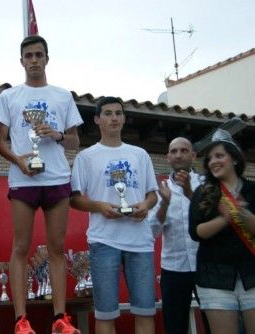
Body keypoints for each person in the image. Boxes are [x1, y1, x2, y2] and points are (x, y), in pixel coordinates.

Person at [0, 35, 83, 334]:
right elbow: (0, 142)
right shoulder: (9, 97)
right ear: (21, 61)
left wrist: (55, 134)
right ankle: (21, 320)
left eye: (38, 55)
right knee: (20, 247)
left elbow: (73, 140)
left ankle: (60, 318)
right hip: (23, 178)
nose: (34, 60)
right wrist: (19, 161)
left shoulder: (62, 96)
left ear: (47, 58)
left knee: (57, 248)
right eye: (28, 55)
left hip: (56, 176)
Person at [70, 96, 158, 334]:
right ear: (97, 119)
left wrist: (145, 206)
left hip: (140, 242)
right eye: (108, 113)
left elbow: (153, 194)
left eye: (118, 113)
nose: (114, 118)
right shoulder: (86, 157)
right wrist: (100, 207)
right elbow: (74, 198)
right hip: (104, 240)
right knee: (105, 312)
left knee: (145, 310)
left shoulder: (139, 154)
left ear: (124, 119)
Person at [188, 129, 255, 334]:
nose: (213, 162)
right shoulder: (204, 192)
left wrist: (243, 214)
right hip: (214, 278)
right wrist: (225, 218)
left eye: (219, 156)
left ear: (234, 159)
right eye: (210, 159)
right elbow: (196, 232)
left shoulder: (253, 190)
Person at [148, 137, 211, 334]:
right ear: (167, 157)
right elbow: (152, 232)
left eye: (184, 150)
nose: (178, 155)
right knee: (175, 326)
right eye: (174, 151)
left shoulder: (207, 184)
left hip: (207, 265)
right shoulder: (160, 190)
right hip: (173, 268)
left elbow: (213, 218)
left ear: (193, 155)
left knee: (215, 323)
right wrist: (164, 204)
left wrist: (190, 192)